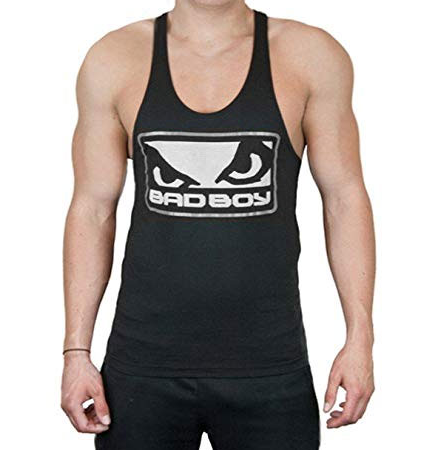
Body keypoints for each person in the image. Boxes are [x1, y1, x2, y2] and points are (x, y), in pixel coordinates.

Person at [61, 1, 376, 449]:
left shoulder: (310, 55)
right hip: (142, 367)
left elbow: (344, 199)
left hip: (270, 366)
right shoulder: (115, 57)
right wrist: (76, 352)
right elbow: (92, 209)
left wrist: (360, 339)